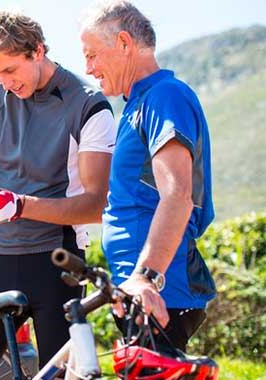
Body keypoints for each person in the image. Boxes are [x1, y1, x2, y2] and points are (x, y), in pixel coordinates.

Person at [0, 11, 116, 379]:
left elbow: (96, 204)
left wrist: (19, 205)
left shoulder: (88, 105)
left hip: (57, 262)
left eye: (11, 71)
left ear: (37, 50)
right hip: (0, 259)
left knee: (57, 376)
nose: (6, 83)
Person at [79, 0, 216, 351]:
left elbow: (177, 194)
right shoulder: (135, 105)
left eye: (93, 55)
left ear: (124, 43)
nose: (88, 68)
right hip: (140, 292)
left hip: (156, 294)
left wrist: (146, 277)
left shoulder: (164, 97)